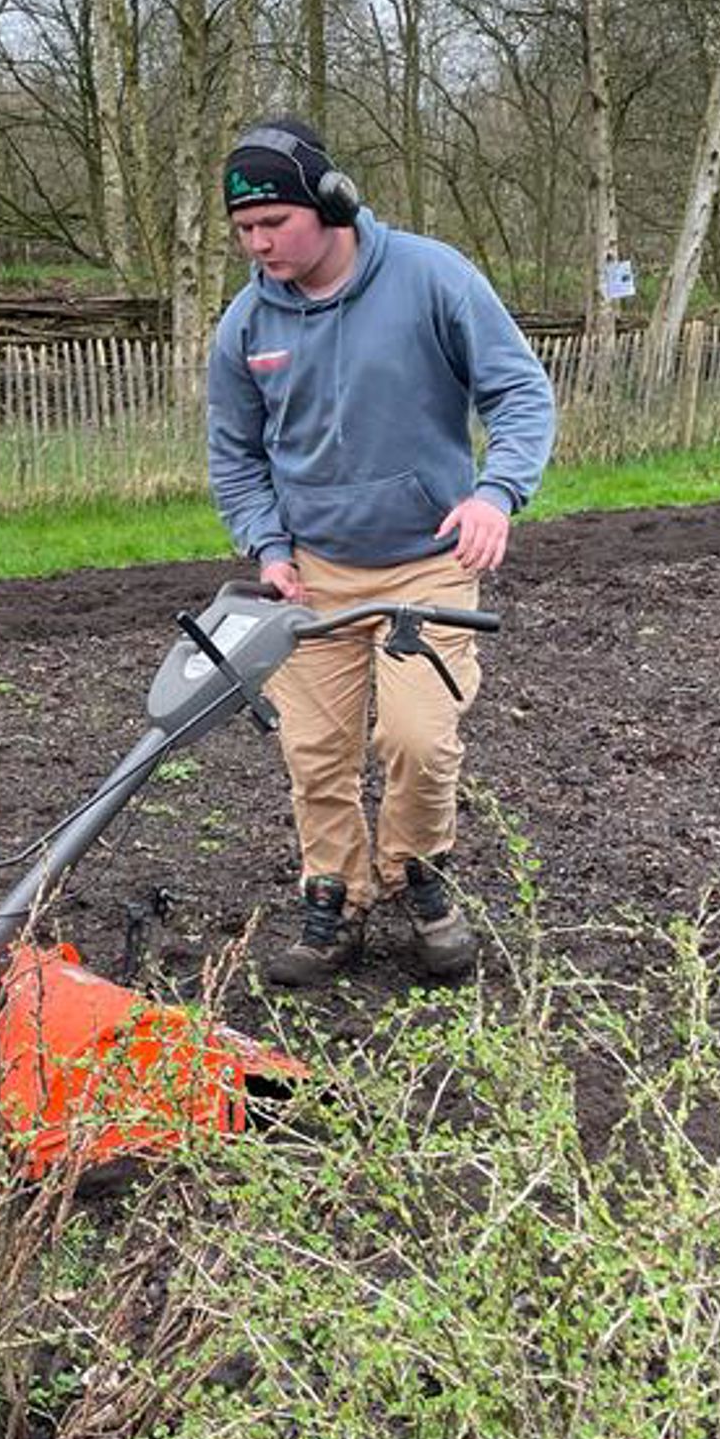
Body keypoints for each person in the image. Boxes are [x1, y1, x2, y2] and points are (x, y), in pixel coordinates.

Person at [207, 116, 555, 986]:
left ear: (331, 204)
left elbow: (519, 394)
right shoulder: (246, 323)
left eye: (272, 225)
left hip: (428, 559)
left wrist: (495, 492)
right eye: (244, 231)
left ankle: (420, 875)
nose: (259, 245)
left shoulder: (431, 278)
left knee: (416, 739)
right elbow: (235, 453)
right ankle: (335, 898)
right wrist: (267, 545)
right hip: (313, 571)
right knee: (314, 749)